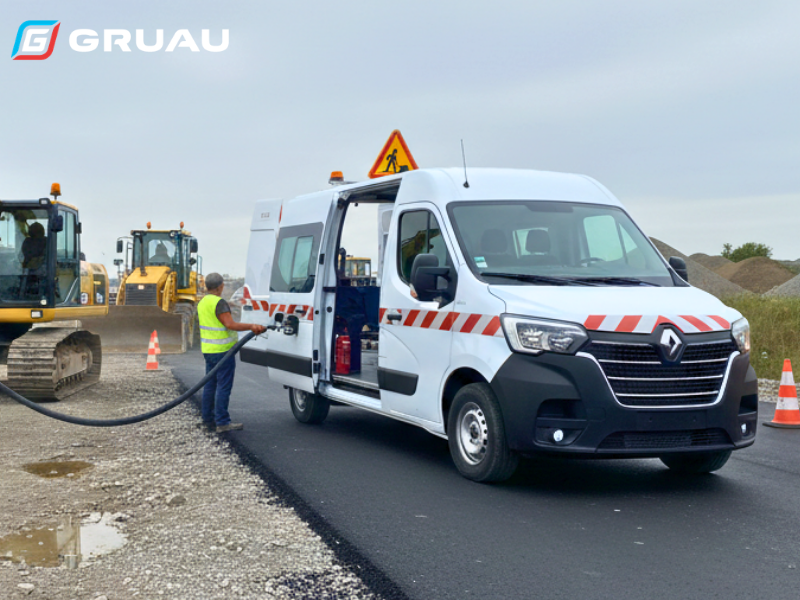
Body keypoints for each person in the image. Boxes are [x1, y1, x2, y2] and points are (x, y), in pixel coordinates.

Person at [198, 272, 266, 432]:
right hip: (223, 351)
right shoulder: (219, 303)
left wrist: (233, 304)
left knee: (210, 385)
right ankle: (222, 422)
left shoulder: (203, 301)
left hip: (208, 350)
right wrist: (251, 326)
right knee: (223, 386)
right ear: (221, 286)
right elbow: (230, 324)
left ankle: (207, 420)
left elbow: (216, 312)